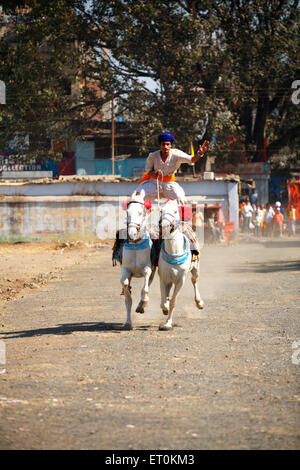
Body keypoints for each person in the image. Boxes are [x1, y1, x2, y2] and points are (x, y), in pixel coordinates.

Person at [135, 131, 210, 204]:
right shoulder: (152, 156)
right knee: (137, 196)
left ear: (171, 145)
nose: (165, 147)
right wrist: (154, 173)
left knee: (181, 200)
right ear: (160, 145)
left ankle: (180, 216)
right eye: (163, 144)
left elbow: (192, 159)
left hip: (169, 183)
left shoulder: (176, 154)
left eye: (167, 144)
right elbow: (148, 171)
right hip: (153, 182)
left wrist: (200, 153)